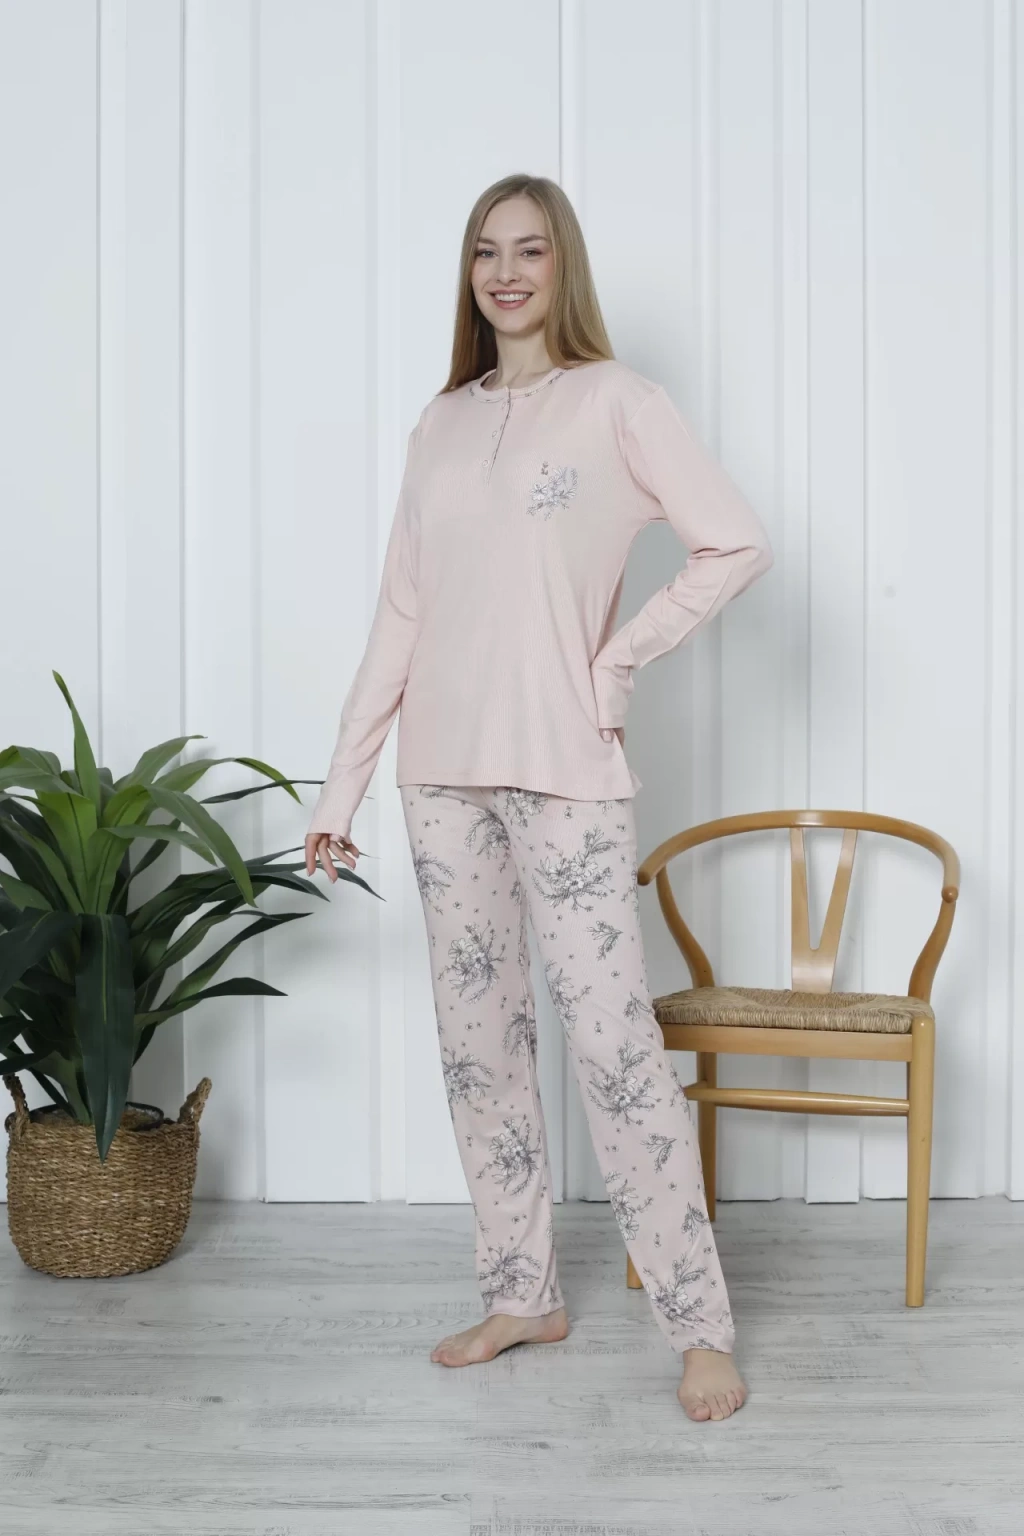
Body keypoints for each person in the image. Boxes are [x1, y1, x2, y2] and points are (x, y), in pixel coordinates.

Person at [304, 173, 773, 1423]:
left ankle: (698, 1326)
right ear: (467, 275)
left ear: (563, 264)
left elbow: (733, 541)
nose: (505, 273)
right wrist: (342, 783)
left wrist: (616, 661)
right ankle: (522, 1293)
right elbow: (401, 614)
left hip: (565, 767)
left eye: (528, 250)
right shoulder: (439, 423)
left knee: (614, 1047)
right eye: (484, 252)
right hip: (439, 773)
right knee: (479, 1045)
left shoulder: (619, 401)